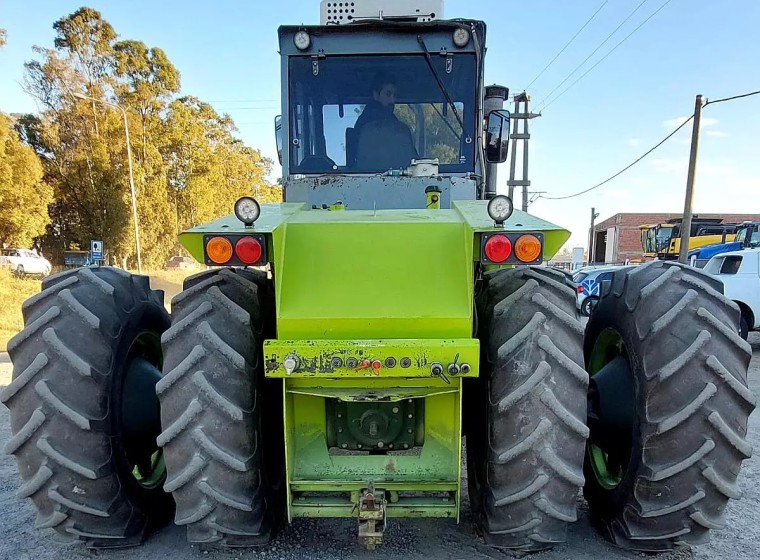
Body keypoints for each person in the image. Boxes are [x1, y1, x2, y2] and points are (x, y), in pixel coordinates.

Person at [353, 73, 418, 170]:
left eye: (394, 95)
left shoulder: (395, 124)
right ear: (376, 95)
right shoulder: (366, 124)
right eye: (388, 94)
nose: (393, 100)